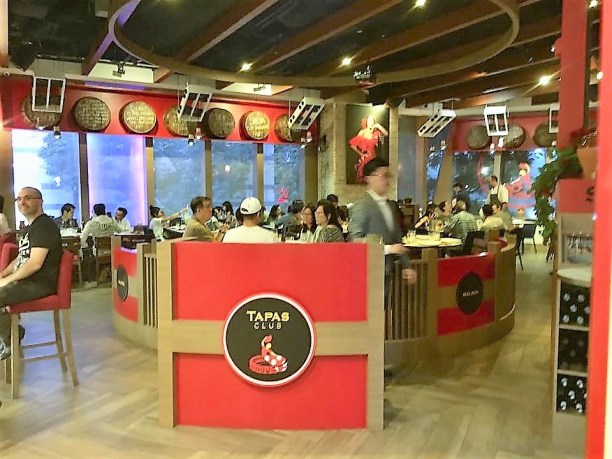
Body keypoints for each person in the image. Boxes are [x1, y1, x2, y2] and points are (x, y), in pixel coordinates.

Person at [0, 187, 62, 360]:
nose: (22, 202)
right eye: (19, 199)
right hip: (27, 281)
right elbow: (21, 257)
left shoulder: (44, 226)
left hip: (38, 283)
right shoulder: (31, 227)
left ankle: (10, 337)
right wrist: (3, 274)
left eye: (27, 198)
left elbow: (34, 264)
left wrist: (6, 281)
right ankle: (10, 333)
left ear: (40, 201)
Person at [348, 157, 417, 284]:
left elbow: (397, 239)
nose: (387, 180)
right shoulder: (362, 206)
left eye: (388, 176)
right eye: (383, 176)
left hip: (388, 272)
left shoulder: (390, 205)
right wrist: (389, 249)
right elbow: (356, 242)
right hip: (369, 273)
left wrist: (406, 265)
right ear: (369, 178)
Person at [349, 114, 389, 184]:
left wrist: (378, 126)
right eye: (369, 121)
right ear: (367, 122)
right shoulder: (363, 132)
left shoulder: (376, 133)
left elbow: (386, 133)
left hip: (373, 157)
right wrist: (361, 154)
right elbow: (353, 145)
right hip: (365, 157)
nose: (371, 122)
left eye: (372, 121)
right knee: (363, 177)